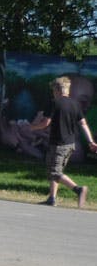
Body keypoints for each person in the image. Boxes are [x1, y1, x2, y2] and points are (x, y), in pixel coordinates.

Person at [29, 76, 96, 207]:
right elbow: (83, 124)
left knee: (55, 172)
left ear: (57, 89)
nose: (53, 92)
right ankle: (51, 198)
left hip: (59, 143)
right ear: (67, 90)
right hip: (70, 144)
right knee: (54, 169)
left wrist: (32, 127)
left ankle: (79, 189)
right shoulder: (75, 104)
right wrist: (91, 141)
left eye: (53, 90)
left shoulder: (54, 102)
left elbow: (45, 123)